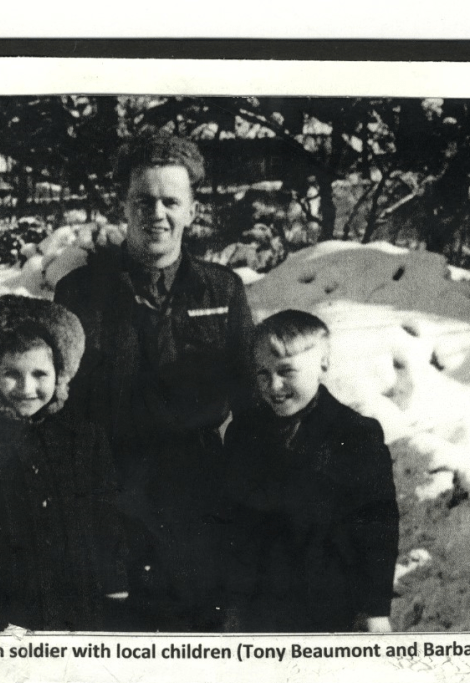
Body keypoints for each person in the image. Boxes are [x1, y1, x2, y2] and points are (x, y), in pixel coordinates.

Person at [54, 134, 254, 630]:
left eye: (171, 201)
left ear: (192, 210)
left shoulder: (223, 289)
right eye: (143, 200)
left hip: (197, 508)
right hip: (108, 504)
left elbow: (254, 400)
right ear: (124, 206)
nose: (156, 213)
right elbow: (55, 411)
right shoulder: (79, 293)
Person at [0, 295, 133, 634]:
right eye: (12, 374)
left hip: (77, 612)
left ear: (60, 374)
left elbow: (105, 522)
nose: (27, 388)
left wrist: (115, 589)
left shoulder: (85, 440)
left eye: (39, 374)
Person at [222, 310, 399, 633]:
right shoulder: (243, 434)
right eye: (262, 374)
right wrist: (233, 606)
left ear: (323, 365)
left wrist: (374, 610)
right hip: (261, 608)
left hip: (332, 606)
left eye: (286, 372)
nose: (274, 386)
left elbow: (377, 529)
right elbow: (234, 528)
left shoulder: (356, 435)